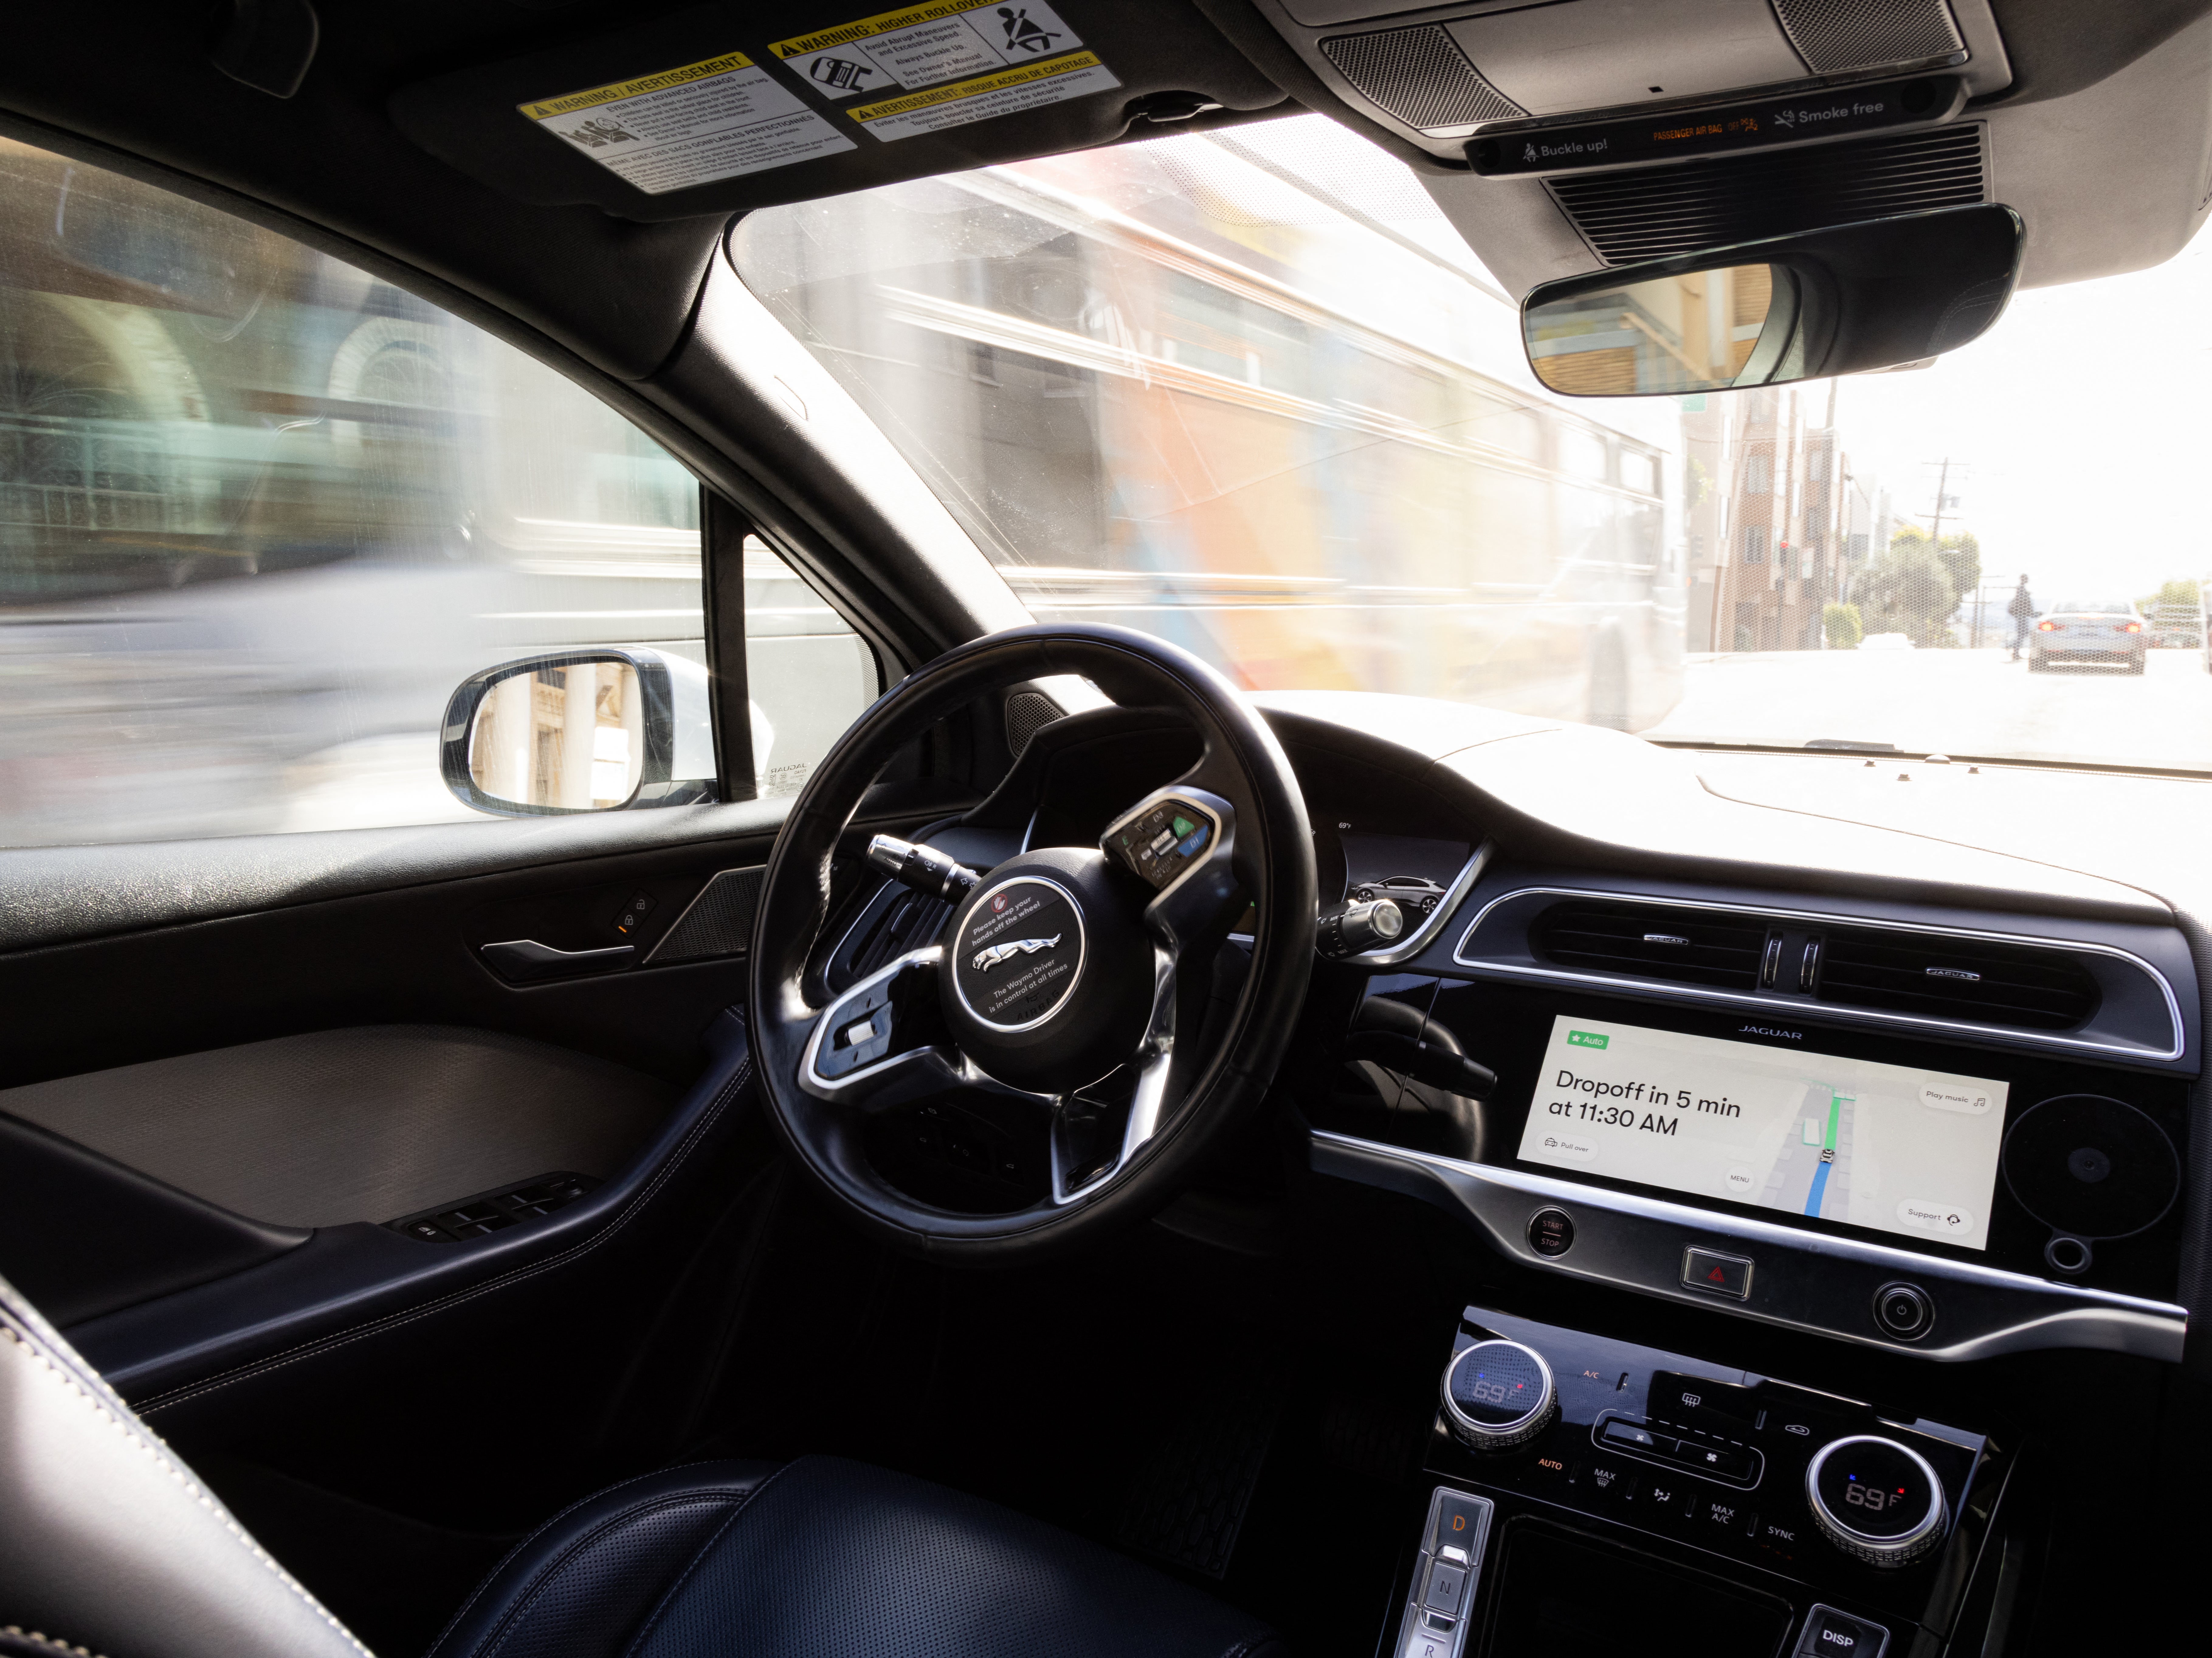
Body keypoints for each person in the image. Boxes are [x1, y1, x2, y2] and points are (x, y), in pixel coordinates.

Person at [2007, 575, 2035, 660]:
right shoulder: (2020, 588)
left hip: (2022, 614)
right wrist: (2027, 595)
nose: (2028, 580)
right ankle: (2014, 650)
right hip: (2021, 614)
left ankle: (2015, 651)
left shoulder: (2022, 588)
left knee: (2023, 633)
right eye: (2026, 579)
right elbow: (2021, 601)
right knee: (2022, 634)